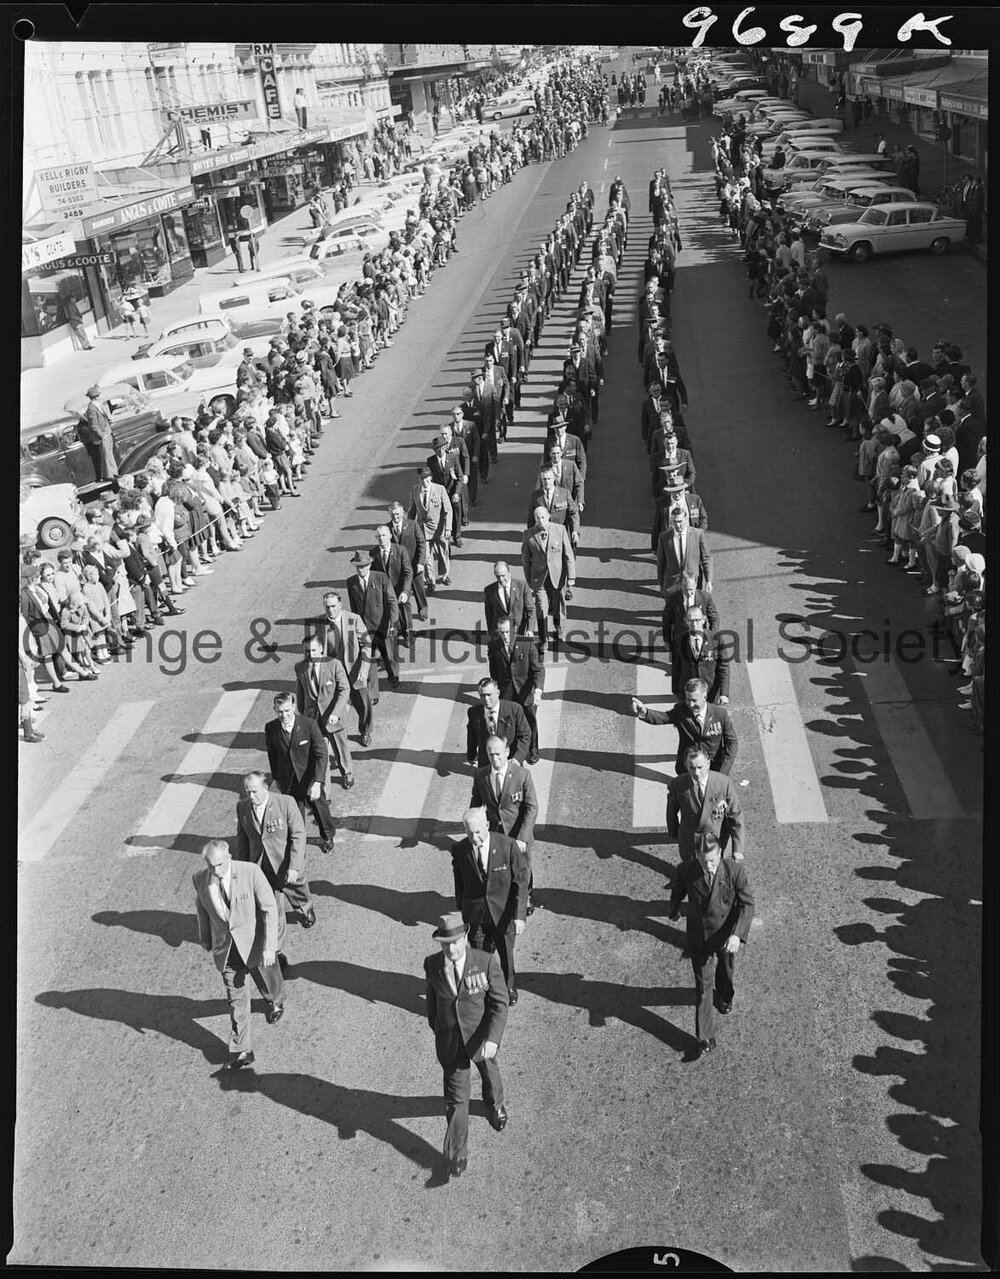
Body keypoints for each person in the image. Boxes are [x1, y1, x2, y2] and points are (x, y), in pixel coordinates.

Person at [424, 912, 509, 1179]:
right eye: (445, 943)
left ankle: (495, 1104)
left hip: (480, 1038)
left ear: (464, 938)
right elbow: (432, 1003)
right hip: (450, 1043)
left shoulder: (484, 962)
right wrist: (438, 1028)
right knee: (456, 1100)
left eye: (455, 942)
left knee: (488, 1073)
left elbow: (499, 1003)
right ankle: (457, 1154)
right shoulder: (432, 965)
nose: (450, 948)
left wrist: (493, 1039)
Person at [193, 839, 285, 1070]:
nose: (216, 871)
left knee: (266, 979)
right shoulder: (200, 880)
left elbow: (269, 908)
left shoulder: (250, 872)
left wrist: (269, 946)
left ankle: (274, 1000)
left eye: (220, 865)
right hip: (227, 951)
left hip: (254, 943)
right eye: (211, 866)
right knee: (236, 1000)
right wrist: (206, 940)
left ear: (229, 858)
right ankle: (242, 1048)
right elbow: (202, 909)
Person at [667, 832, 754, 1059]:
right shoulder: (687, 870)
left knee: (725, 973)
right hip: (700, 937)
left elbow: (747, 904)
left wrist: (737, 935)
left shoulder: (734, 871)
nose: (709, 865)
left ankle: (725, 996)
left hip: (726, 936)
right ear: (697, 855)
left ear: (720, 854)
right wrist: (674, 909)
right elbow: (678, 890)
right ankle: (704, 1036)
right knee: (703, 988)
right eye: (704, 861)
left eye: (713, 860)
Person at [451, 807, 530, 1003]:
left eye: (477, 831)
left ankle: (509, 986)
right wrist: (461, 906)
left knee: (506, 954)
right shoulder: (460, 850)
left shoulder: (507, 846)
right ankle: (489, 990)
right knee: (480, 956)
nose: (474, 837)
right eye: (469, 833)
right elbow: (459, 880)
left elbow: (520, 882)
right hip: (476, 915)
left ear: (486, 825)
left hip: (502, 914)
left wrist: (519, 916)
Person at [233, 770, 308, 958]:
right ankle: (278, 949)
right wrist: (244, 871)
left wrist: (294, 866)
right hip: (261, 868)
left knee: (298, 890)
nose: (251, 796)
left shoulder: (286, 802)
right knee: (274, 909)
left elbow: (298, 835)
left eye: (255, 791)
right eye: (247, 792)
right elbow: (242, 840)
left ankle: (305, 907)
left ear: (265, 788)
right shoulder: (242, 808)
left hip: (285, 864)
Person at [264, 692, 336, 863]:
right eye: (280, 711)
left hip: (310, 780)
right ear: (275, 710)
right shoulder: (271, 728)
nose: (284, 715)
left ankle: (327, 836)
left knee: (320, 810)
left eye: (287, 710)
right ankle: (299, 846)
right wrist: (276, 779)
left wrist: (318, 782)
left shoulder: (309, 725)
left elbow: (321, 754)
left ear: (294, 707)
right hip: (289, 783)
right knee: (295, 818)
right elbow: (272, 756)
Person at [309, 590, 377, 747]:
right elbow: (317, 647)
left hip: (354, 670)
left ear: (340, 605)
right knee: (333, 702)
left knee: (362, 703)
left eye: (333, 606)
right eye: (327, 607)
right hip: (333, 672)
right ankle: (335, 732)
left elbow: (367, 645)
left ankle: (365, 730)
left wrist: (364, 669)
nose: (330, 610)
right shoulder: (319, 622)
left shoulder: (353, 619)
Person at [633, 676, 737, 775]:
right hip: (688, 767)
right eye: (688, 700)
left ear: (705, 696)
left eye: (694, 700)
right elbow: (664, 718)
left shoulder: (720, 714)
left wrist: (723, 772)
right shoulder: (681, 710)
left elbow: (732, 743)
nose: (691, 704)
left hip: (714, 767)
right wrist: (644, 712)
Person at [294, 634, 354, 790]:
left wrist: (335, 713)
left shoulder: (334, 664)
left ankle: (347, 773)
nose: (311, 655)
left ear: (321, 649)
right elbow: (301, 693)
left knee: (341, 750)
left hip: (333, 718)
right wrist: (302, 717)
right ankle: (325, 791)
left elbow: (344, 689)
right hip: (313, 720)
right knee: (321, 756)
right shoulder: (300, 667)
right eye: (307, 651)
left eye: (314, 650)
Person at [667, 745, 745, 862]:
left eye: (700, 767)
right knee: (692, 874)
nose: (697, 773)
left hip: (717, 841)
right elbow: (671, 811)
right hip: (691, 843)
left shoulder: (723, 783)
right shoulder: (677, 784)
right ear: (686, 765)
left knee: (716, 875)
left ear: (708, 763)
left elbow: (735, 814)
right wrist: (674, 833)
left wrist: (737, 849)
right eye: (692, 768)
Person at [488, 616, 544, 764]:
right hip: (506, 693)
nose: (505, 636)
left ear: (512, 630)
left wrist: (537, 691)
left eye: (507, 632)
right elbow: (493, 671)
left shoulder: (526, 643)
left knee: (530, 722)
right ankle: (512, 751)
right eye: (502, 632)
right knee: (508, 724)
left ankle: (533, 749)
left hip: (525, 691)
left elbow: (538, 669)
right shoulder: (494, 645)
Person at [521, 505, 575, 652]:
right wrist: (529, 581)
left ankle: (559, 628)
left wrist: (571, 577)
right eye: (537, 518)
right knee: (541, 609)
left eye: (543, 517)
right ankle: (544, 639)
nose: (541, 520)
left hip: (557, 577)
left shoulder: (560, 530)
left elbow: (568, 555)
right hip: (539, 579)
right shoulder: (528, 535)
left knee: (558, 606)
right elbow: (526, 560)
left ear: (548, 517)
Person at [346, 550, 400, 689]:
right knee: (369, 660)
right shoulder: (351, 582)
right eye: (358, 566)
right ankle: (373, 691)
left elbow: (392, 600)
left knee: (388, 655)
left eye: (363, 566)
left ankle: (393, 675)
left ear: (369, 565)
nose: (361, 569)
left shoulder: (381, 578)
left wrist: (393, 622)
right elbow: (354, 608)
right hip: (365, 628)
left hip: (383, 624)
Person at [466, 677, 530, 768]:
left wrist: (517, 758)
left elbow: (525, 735)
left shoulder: (514, 709)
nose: (486, 699)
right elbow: (472, 735)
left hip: (511, 762)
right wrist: (471, 755)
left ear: (498, 693)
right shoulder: (473, 712)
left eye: (489, 695)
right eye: (482, 695)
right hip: (486, 763)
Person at [484, 560, 536, 637]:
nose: (501, 579)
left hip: (519, 630)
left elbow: (530, 609)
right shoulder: (489, 590)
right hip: (500, 632)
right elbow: (489, 613)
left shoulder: (522, 586)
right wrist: (491, 632)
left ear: (509, 573)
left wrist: (530, 629)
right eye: (498, 576)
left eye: (503, 576)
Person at [81, 387, 119, 482]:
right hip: (103, 435)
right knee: (106, 455)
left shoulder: (97, 405)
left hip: (107, 432)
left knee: (110, 454)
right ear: (95, 397)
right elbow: (93, 425)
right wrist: (102, 436)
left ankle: (114, 472)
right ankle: (109, 475)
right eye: (98, 396)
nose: (99, 397)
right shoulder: (92, 408)